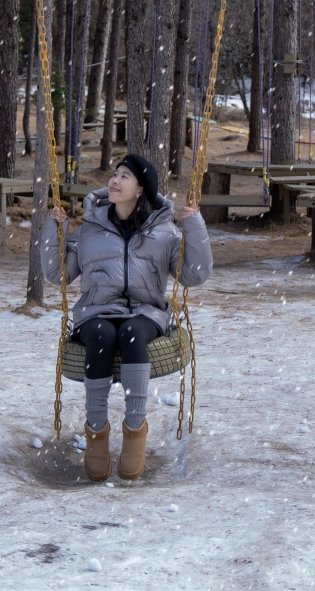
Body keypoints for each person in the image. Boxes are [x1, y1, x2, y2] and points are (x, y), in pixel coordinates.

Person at [41, 152, 212, 481]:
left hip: (145, 312)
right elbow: (57, 274)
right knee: (102, 334)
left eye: (124, 176)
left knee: (131, 332)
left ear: (140, 189)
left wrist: (194, 224)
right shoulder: (90, 230)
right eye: (115, 174)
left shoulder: (163, 233)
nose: (114, 181)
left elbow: (195, 275)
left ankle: (135, 429)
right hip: (97, 311)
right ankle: (96, 431)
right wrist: (54, 229)